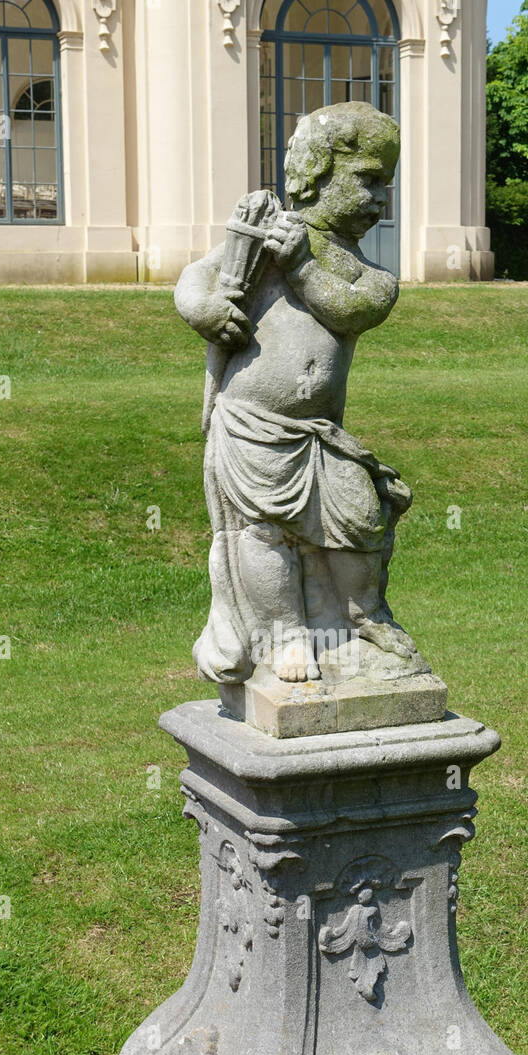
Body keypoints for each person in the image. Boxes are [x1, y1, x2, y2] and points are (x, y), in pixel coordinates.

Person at [174, 102, 421, 685]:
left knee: (361, 520)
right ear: (317, 172)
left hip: (321, 434)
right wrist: (208, 311)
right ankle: (285, 635)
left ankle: (365, 620)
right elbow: (196, 279)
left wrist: (303, 266)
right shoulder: (261, 233)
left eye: (387, 184)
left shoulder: (363, 271)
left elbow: (354, 310)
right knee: (262, 534)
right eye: (368, 180)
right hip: (253, 425)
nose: (381, 198)